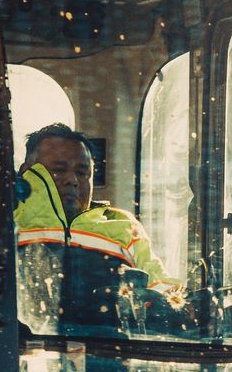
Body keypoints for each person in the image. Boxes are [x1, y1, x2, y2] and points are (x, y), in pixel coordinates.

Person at [13, 123, 175, 295]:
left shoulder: (124, 227)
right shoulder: (8, 222)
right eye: (58, 170)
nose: (72, 180)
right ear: (26, 172)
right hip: (28, 321)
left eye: (82, 173)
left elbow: (163, 292)